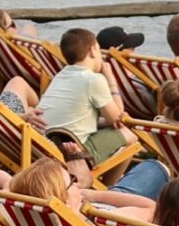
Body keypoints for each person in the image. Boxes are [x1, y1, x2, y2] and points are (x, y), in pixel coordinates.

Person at [37, 29, 132, 161]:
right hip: (72, 152)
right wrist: (111, 80)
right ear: (92, 50)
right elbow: (118, 119)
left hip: (43, 147)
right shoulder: (93, 79)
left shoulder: (60, 75)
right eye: (99, 50)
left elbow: (77, 117)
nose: (100, 56)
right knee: (130, 134)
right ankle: (110, 181)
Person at [10, 157, 156, 226]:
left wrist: (84, 196)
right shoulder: (104, 223)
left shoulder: (40, 225)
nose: (76, 185)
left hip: (92, 205)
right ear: (64, 202)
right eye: (72, 182)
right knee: (154, 169)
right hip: (110, 212)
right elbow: (151, 207)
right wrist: (95, 194)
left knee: (151, 169)